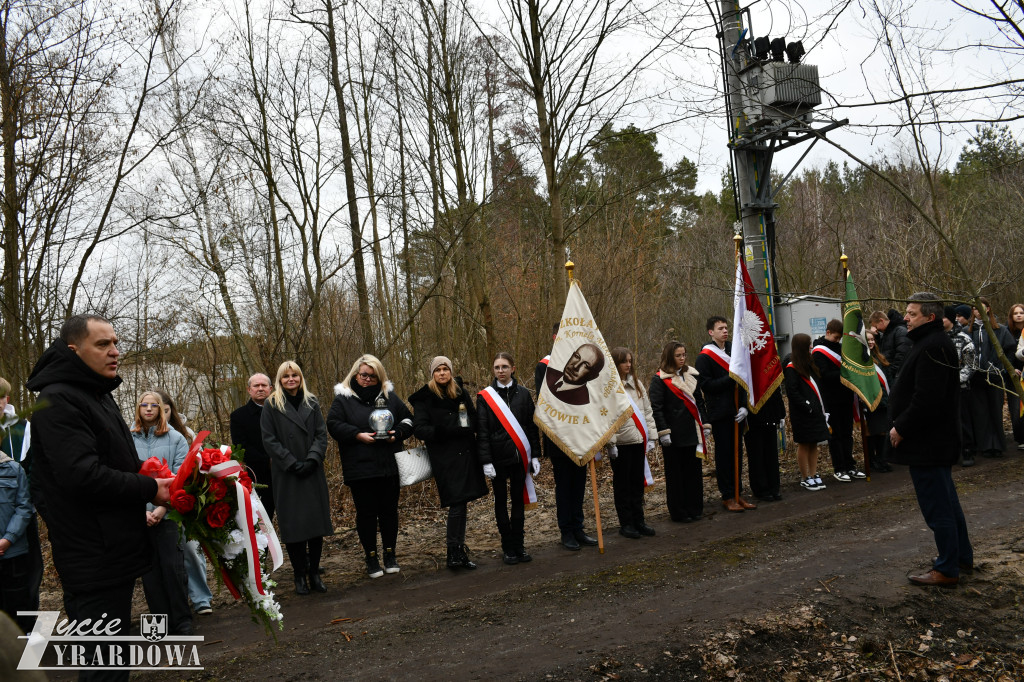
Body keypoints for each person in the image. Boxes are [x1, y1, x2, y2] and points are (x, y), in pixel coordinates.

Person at [26, 314, 172, 681]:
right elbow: (82, 476)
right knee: (102, 669)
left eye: (116, 343)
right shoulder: (58, 400)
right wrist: (151, 489)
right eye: (103, 344)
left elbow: (111, 458)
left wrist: (148, 470)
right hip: (92, 556)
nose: (115, 352)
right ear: (74, 350)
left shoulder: (94, 393)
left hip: (112, 549)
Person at [888, 293, 971, 587]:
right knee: (947, 502)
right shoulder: (928, 342)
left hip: (929, 443)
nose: (905, 318)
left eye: (911, 314)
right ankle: (961, 558)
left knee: (938, 508)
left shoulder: (933, 346)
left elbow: (927, 400)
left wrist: (901, 427)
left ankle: (947, 568)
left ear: (930, 317)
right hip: (935, 442)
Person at [327, 355, 413, 579]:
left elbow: (408, 420)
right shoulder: (343, 399)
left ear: (379, 377)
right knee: (366, 514)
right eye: (363, 374)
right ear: (355, 373)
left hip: (389, 466)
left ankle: (390, 554)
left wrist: (398, 434)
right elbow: (333, 425)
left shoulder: (389, 396)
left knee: (389, 513)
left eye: (373, 376)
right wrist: (357, 435)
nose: (367, 379)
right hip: (360, 468)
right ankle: (371, 557)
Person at [409, 356, 488, 570]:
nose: (442, 373)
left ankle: (459, 550)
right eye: (438, 370)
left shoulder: (460, 392)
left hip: (466, 455)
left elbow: (472, 417)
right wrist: (446, 430)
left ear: (451, 371)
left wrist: (468, 427)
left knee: (462, 505)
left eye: (445, 369)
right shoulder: (424, 398)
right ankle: (452, 552)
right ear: (432, 374)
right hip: (445, 458)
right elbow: (420, 429)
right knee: (456, 503)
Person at [261, 361, 332, 594]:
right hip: (287, 474)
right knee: (294, 526)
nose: (291, 379)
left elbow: (321, 434)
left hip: (312, 471)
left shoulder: (312, 402)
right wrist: (292, 463)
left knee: (315, 524)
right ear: (279, 380)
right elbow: (269, 440)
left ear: (301, 377)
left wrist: (312, 459)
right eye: (286, 376)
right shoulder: (271, 405)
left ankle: (314, 573)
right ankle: (299, 573)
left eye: (295, 375)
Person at [131, 391, 192, 636]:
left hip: (169, 515)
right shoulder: (128, 438)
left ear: (161, 408)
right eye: (144, 405)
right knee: (149, 571)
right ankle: (160, 622)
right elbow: (125, 477)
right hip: (139, 517)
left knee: (173, 567)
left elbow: (181, 477)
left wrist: (162, 508)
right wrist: (141, 512)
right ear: (138, 408)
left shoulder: (177, 438)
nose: (148, 409)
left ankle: (182, 619)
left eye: (153, 405)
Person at [535, 328, 598, 551]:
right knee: (564, 486)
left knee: (579, 485)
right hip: (559, 438)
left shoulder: (585, 372)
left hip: (581, 437)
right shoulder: (545, 366)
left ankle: (578, 527)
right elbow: (545, 403)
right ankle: (566, 531)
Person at [153, 387, 213, 616]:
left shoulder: (185, 434)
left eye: (166, 410)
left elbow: (192, 470)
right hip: (153, 503)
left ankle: (201, 599)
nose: (162, 415)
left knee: (190, 549)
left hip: (183, 499)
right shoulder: (138, 434)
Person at [479, 352, 540, 565]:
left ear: (513, 368)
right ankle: (507, 547)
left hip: (519, 458)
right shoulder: (485, 397)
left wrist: (535, 456)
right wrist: (486, 461)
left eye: (504, 366)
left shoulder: (523, 394)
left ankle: (519, 545)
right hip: (497, 460)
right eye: (497, 367)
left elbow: (531, 427)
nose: (500, 371)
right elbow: (483, 431)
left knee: (517, 501)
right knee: (501, 503)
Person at [695, 315, 753, 512]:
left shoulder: (735, 352)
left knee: (738, 454)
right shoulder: (704, 357)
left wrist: (744, 405)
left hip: (737, 411)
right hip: (719, 413)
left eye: (726, 328)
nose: (725, 331)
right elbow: (707, 386)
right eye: (720, 328)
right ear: (711, 332)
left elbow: (743, 381)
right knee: (724, 455)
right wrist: (730, 379)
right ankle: (727, 495)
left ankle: (739, 492)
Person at [0, 378, 42, 634]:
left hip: (19, 508)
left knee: (26, 572)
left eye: (1, 398)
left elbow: (30, 465)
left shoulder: (23, 427)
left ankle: (26, 627)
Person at [649, 342, 706, 523]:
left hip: (692, 431)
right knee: (676, 475)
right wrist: (663, 432)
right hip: (673, 435)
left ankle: (695, 507)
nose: (682, 358)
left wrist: (706, 424)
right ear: (669, 357)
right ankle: (679, 511)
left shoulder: (692, 374)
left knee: (694, 472)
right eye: (678, 355)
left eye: (684, 354)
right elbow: (656, 408)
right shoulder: (659, 379)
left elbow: (699, 402)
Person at [605, 347, 658, 537]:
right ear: (616, 363)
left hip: (638, 441)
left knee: (637, 483)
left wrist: (652, 436)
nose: (628, 365)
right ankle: (626, 523)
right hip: (621, 445)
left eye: (630, 361)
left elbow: (647, 411)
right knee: (623, 486)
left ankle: (639, 520)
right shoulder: (610, 387)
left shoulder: (637, 384)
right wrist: (611, 444)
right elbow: (607, 417)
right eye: (624, 361)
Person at [812, 319, 866, 482]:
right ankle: (839, 467)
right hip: (831, 398)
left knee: (847, 433)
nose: (837, 341)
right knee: (836, 435)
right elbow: (824, 375)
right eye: (835, 337)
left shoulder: (842, 348)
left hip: (846, 397)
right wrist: (845, 373)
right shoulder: (819, 351)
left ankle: (850, 465)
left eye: (839, 338)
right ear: (828, 332)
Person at [965, 297, 1015, 459]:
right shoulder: (968, 330)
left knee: (995, 409)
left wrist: (1002, 369)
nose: (977, 310)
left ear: (987, 309)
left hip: (995, 376)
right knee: (980, 412)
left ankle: (997, 445)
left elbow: (1009, 350)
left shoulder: (999, 329)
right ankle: (985, 445)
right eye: (974, 308)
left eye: (981, 307)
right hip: (975, 377)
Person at [783, 334, 830, 491]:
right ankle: (805, 477)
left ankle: (814, 473)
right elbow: (792, 391)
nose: (811, 347)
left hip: (815, 411)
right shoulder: (791, 367)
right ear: (802, 346)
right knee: (804, 444)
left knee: (814, 443)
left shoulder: (810, 364)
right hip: (802, 413)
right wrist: (806, 406)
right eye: (809, 344)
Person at [230, 374, 275, 519]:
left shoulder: (281, 411)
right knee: (263, 522)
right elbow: (241, 447)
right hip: (257, 476)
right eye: (256, 386)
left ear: (271, 389)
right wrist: (268, 461)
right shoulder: (238, 416)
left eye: (264, 385)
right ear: (249, 390)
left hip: (286, 472)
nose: (260, 389)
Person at [945, 306, 977, 466]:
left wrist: (955, 381)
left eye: (943, 318)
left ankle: (967, 452)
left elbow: (970, 365)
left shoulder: (964, 339)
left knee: (963, 421)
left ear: (949, 320)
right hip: (941, 390)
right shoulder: (938, 339)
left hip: (960, 388)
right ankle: (951, 452)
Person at [862, 330, 893, 473]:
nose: (871, 342)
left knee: (882, 432)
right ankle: (872, 460)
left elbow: (889, 380)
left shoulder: (880, 358)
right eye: (868, 340)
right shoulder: (861, 360)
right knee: (870, 432)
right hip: (870, 401)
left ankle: (882, 459)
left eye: (872, 339)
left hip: (884, 401)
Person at [869, 309, 912, 378]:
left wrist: (891, 373)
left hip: (896, 375)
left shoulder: (900, 331)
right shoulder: (885, 334)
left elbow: (902, 354)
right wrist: (875, 336)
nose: (876, 329)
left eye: (876, 326)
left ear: (881, 321)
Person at [1006, 303, 1024, 448]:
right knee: (1016, 408)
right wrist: (1012, 369)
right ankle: (1020, 438)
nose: (1018, 315)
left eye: (1021, 312)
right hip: (1014, 374)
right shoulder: (1006, 332)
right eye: (1015, 313)